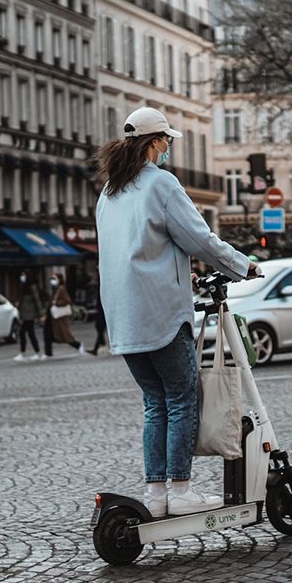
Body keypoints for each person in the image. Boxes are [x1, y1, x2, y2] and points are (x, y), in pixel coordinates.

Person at [95, 106, 260, 518]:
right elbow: (198, 239)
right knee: (182, 397)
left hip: (123, 315)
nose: (169, 147)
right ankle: (182, 490)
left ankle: (157, 494)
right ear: (154, 142)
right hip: (160, 311)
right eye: (167, 140)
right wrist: (244, 265)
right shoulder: (161, 184)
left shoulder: (110, 191)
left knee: (155, 402)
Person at [43, 272, 84, 357]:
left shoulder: (61, 289)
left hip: (58, 318)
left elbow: (67, 301)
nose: (52, 281)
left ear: (59, 279)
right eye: (51, 279)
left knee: (64, 335)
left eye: (54, 279)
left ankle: (78, 345)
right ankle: (48, 353)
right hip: (52, 317)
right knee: (47, 334)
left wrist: (56, 303)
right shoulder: (55, 289)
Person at [14, 270, 43, 361]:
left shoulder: (32, 287)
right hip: (25, 314)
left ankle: (25, 353)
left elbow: (37, 300)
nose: (22, 277)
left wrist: (41, 314)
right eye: (22, 275)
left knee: (24, 332)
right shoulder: (23, 286)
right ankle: (35, 352)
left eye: (24, 275)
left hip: (30, 314)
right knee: (29, 333)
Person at [89, 288, 108, 356]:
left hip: (103, 312)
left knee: (100, 328)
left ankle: (98, 346)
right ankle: (101, 344)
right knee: (99, 328)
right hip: (101, 311)